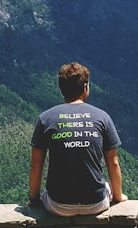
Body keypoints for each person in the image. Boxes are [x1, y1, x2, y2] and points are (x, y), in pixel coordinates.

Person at [29, 62, 127, 215]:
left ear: (61, 88)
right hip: (95, 203)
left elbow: (36, 164)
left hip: (58, 205)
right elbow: (113, 163)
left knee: (47, 193)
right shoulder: (102, 117)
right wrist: (119, 197)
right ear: (85, 87)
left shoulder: (45, 119)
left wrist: (34, 199)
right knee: (106, 187)